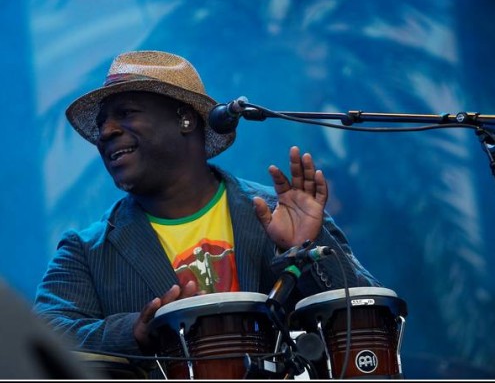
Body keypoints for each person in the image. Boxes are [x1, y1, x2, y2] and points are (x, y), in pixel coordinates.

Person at [33, 50, 381, 378]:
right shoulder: (86, 250)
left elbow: (372, 323)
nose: (105, 132)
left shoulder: (282, 213)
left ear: (185, 118)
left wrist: (308, 247)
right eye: (102, 122)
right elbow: (41, 341)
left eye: (125, 113)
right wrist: (135, 331)